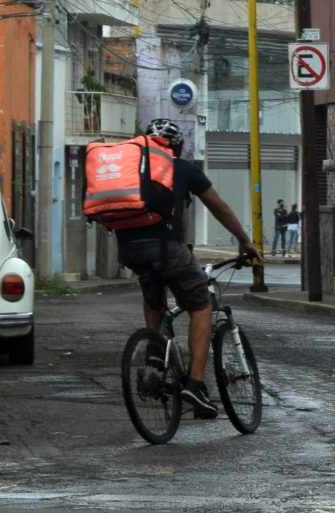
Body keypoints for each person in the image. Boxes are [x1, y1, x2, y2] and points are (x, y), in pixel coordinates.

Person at [115, 119, 263, 419]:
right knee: (201, 305)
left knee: (154, 290)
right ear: (178, 148)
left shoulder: (130, 169)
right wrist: (244, 241)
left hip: (130, 250)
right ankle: (195, 384)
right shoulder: (182, 169)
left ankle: (155, 352)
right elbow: (218, 207)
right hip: (168, 249)